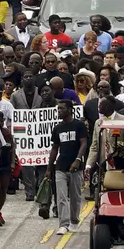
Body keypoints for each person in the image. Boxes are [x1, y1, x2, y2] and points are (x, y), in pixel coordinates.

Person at [48, 100, 88, 235]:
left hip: (76, 168)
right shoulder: (57, 128)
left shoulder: (79, 125)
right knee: (61, 196)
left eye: (62, 109)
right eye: (58, 109)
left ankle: (74, 221)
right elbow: (55, 148)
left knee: (75, 196)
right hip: (60, 167)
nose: (59, 111)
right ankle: (63, 224)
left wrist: (77, 160)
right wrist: (49, 168)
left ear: (70, 109)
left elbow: (83, 143)